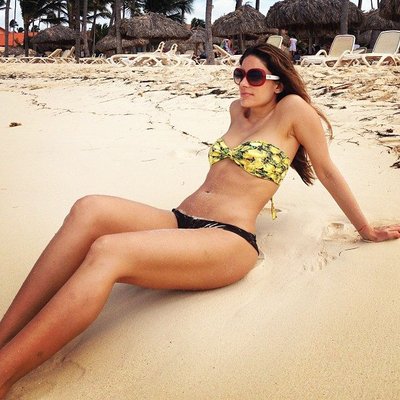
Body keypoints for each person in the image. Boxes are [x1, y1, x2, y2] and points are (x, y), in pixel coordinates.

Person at [0, 43, 399, 398]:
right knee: (88, 208)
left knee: (108, 251)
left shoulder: (294, 111)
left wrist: (364, 228)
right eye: (239, 74)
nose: (243, 83)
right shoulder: (237, 110)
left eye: (255, 76)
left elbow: (326, 170)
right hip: (181, 219)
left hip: (229, 238)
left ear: (278, 84)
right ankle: (5, 335)